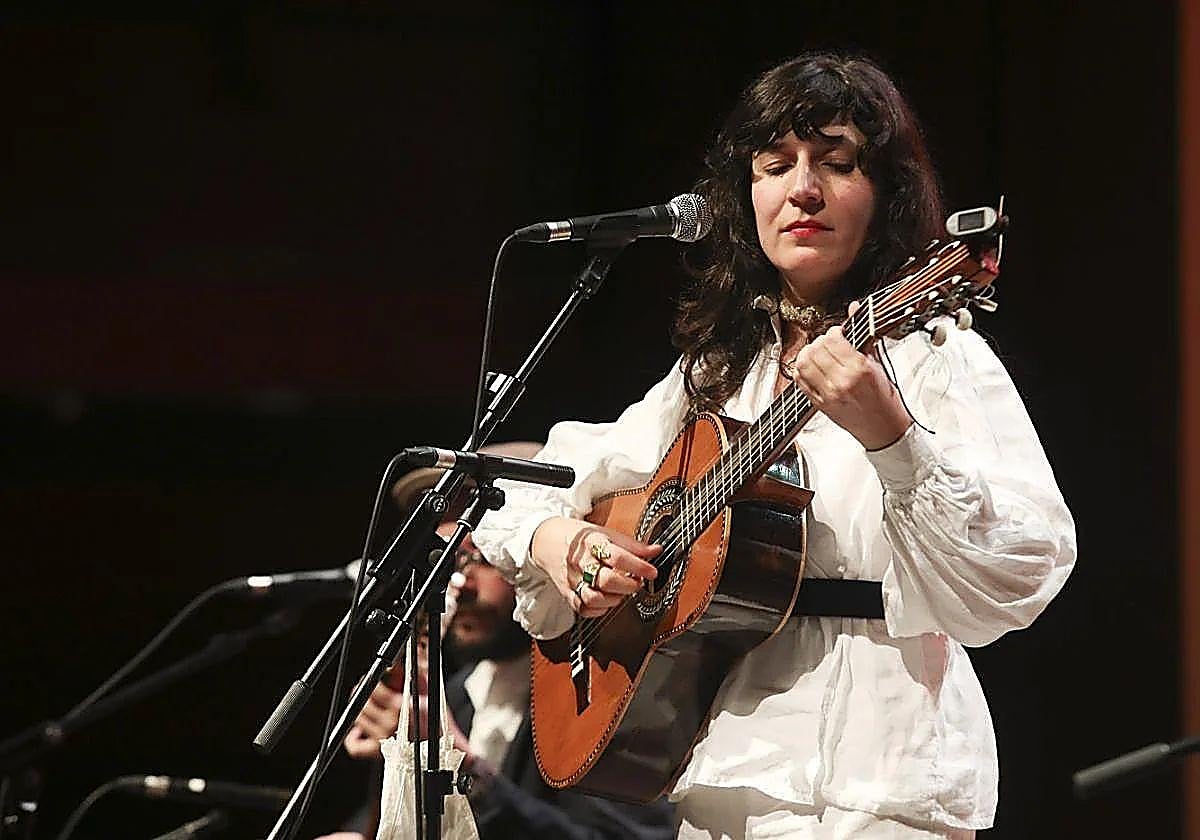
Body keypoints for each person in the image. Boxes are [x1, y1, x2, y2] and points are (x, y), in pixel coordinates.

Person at [471, 52, 1076, 839]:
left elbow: (1022, 566)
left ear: (884, 193)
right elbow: (527, 476)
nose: (803, 190)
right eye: (775, 165)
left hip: (882, 779)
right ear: (744, 194)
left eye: (837, 163)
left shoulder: (935, 354)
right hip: (727, 774)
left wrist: (890, 435)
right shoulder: (718, 373)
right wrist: (560, 541)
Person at [317, 443, 675, 840]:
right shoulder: (457, 693)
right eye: (444, 562)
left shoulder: (605, 689)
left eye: (484, 557)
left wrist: (461, 768)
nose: (457, 585)